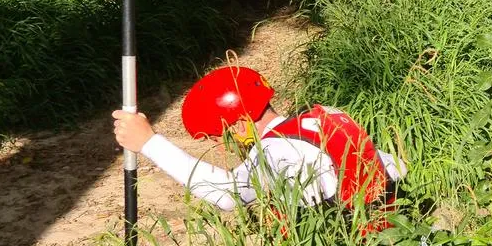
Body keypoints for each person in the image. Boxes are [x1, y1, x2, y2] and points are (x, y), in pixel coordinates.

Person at [112, 65, 404, 213]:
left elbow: (229, 194)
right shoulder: (321, 119)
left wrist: (149, 143)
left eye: (219, 136)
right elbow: (395, 166)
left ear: (240, 123)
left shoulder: (276, 150)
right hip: (397, 232)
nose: (220, 145)